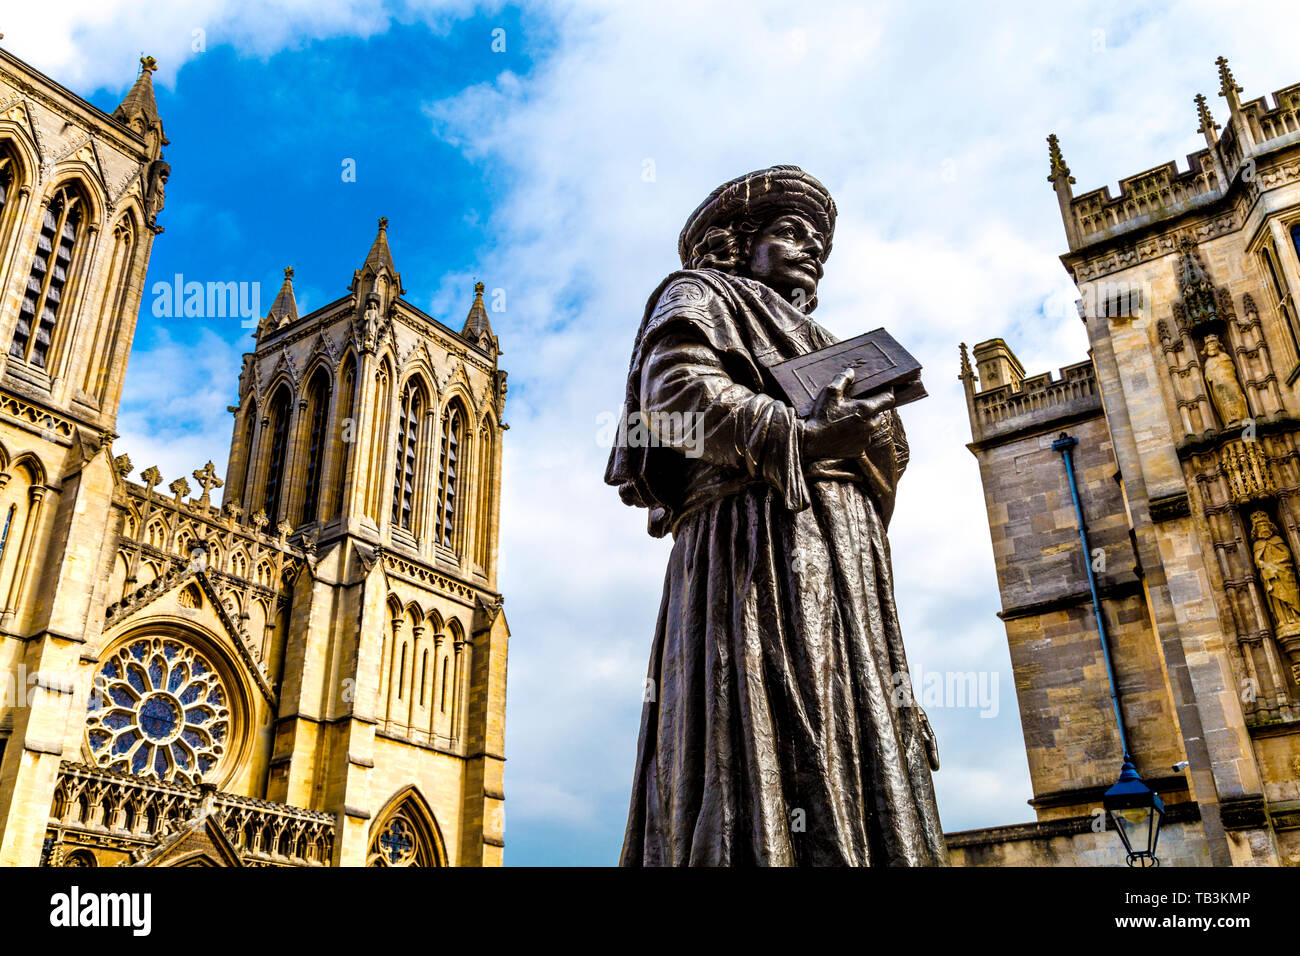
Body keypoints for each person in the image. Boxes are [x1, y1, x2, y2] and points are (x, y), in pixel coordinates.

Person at [607, 166, 947, 866]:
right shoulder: (699, 294)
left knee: (857, 737)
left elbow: (889, 458)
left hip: (845, 553)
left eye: (819, 238)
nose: (812, 247)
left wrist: (869, 431)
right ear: (736, 245)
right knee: (759, 728)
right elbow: (674, 397)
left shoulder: (829, 341)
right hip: (752, 539)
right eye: (792, 232)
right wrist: (801, 435)